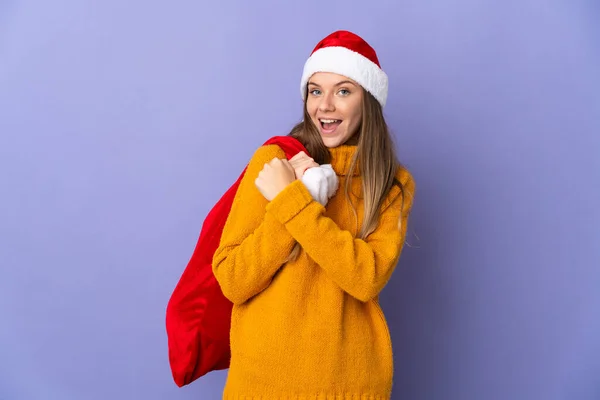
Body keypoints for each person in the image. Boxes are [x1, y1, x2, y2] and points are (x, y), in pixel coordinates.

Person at [212, 30, 415, 399]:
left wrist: (293, 201)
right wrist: (293, 195)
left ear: (367, 99)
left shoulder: (391, 184)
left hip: (350, 385)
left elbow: (365, 278)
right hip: (261, 384)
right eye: (315, 90)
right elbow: (234, 279)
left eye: (343, 91)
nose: (325, 106)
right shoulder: (274, 162)